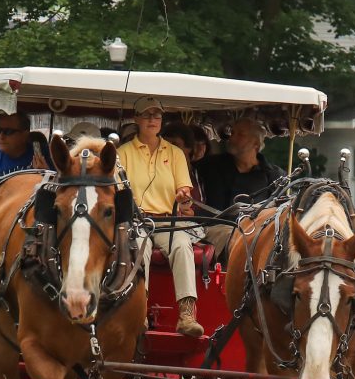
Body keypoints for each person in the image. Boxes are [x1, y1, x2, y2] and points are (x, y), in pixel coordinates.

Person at [118, 96, 204, 337]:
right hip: (138, 220)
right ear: (136, 119)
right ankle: (139, 313)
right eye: (146, 115)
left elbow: (184, 189)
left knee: (182, 245)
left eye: (156, 115)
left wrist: (183, 196)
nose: (152, 120)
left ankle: (187, 315)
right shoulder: (122, 153)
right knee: (138, 248)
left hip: (169, 219)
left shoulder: (175, 153)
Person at [198, 116, 283, 255]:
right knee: (237, 238)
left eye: (240, 134)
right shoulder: (210, 166)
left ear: (256, 143)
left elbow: (280, 213)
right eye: (232, 133)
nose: (232, 138)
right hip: (215, 230)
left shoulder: (273, 176)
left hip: (257, 233)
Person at [0, 112, 45, 181]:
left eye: (8, 131)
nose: (1, 136)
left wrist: (46, 175)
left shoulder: (42, 154)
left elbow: (53, 188)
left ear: (25, 135)